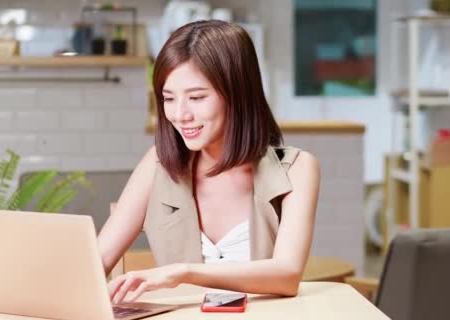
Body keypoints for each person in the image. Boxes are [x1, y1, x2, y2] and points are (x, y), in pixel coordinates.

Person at [98, 20, 320, 304]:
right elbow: (98, 261)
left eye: (196, 97)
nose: (179, 114)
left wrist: (184, 273)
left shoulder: (298, 169)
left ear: (238, 94)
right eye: (168, 98)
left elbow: (287, 276)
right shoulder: (157, 164)